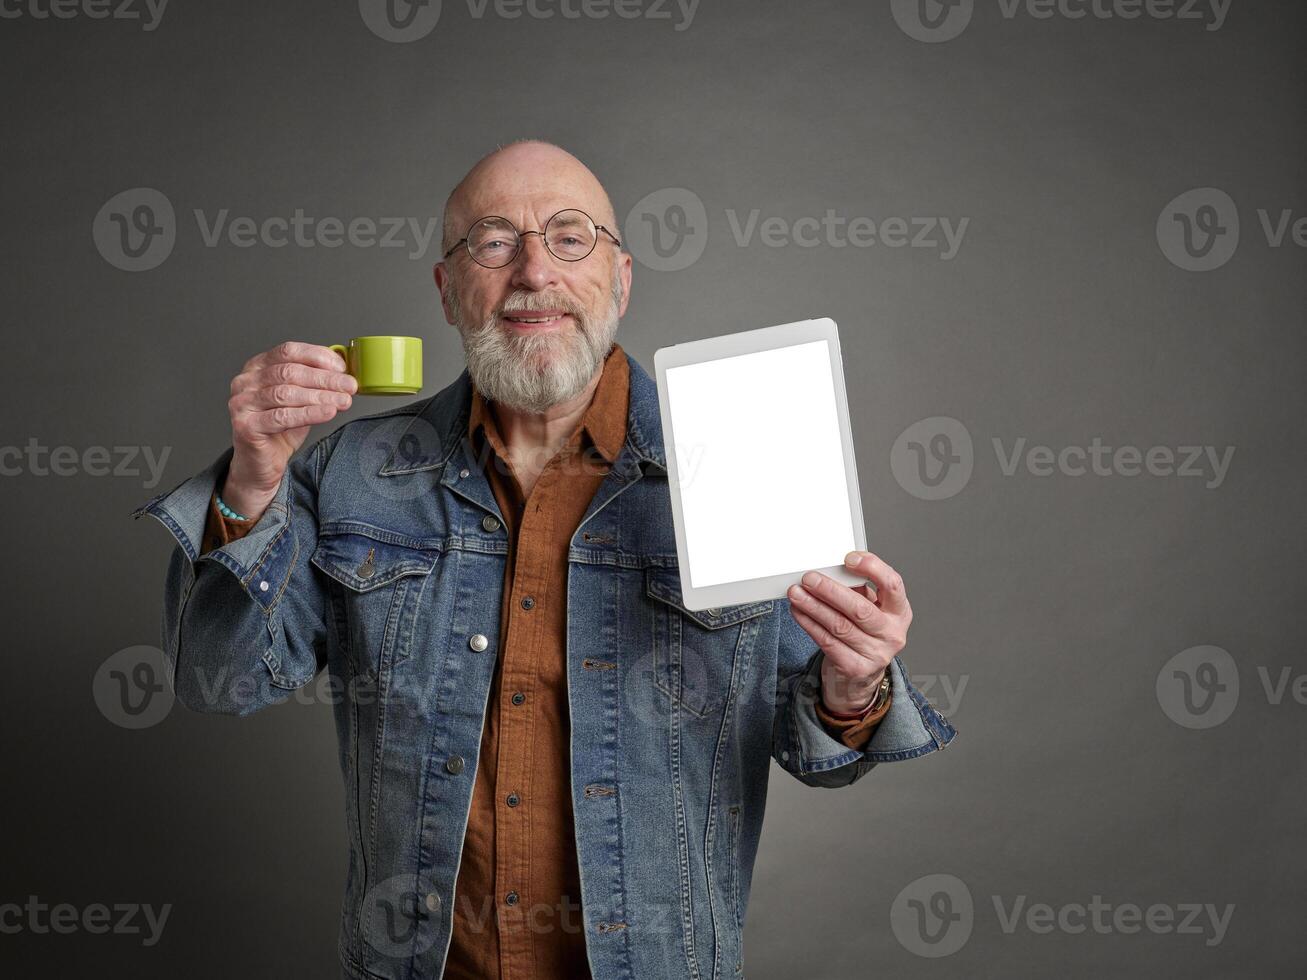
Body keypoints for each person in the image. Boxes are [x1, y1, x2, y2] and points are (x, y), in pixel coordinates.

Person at [132, 140, 957, 980]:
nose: (533, 271)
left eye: (570, 237)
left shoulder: (741, 456)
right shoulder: (349, 471)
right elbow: (216, 676)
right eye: (492, 241)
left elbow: (817, 738)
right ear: (448, 290)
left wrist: (854, 687)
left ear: (622, 278)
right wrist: (251, 480)